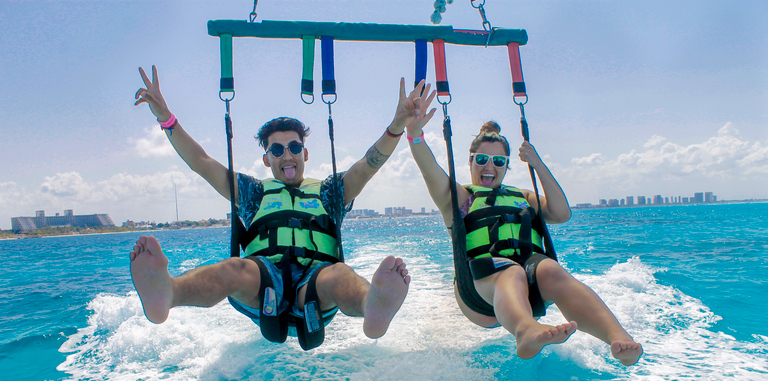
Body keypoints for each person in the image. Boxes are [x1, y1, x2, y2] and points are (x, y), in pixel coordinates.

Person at [130, 65, 420, 348]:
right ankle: (168, 292)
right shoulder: (252, 192)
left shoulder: (330, 192)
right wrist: (166, 118)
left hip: (315, 286)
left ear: (304, 153)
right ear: (267, 159)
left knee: (341, 275)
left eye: (294, 148)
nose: (287, 156)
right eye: (277, 150)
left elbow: (366, 168)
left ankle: (373, 304)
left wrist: (396, 127)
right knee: (233, 269)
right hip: (262, 282)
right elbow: (202, 164)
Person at [404, 85, 643, 365]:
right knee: (512, 273)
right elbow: (429, 169)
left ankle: (616, 337)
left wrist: (537, 163)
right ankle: (525, 330)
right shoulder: (460, 198)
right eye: (481, 159)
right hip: (479, 290)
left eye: (498, 161)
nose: (489, 166)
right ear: (470, 161)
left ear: (506, 165)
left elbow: (561, 213)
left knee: (551, 269)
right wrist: (415, 135)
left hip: (529, 286)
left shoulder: (522, 197)